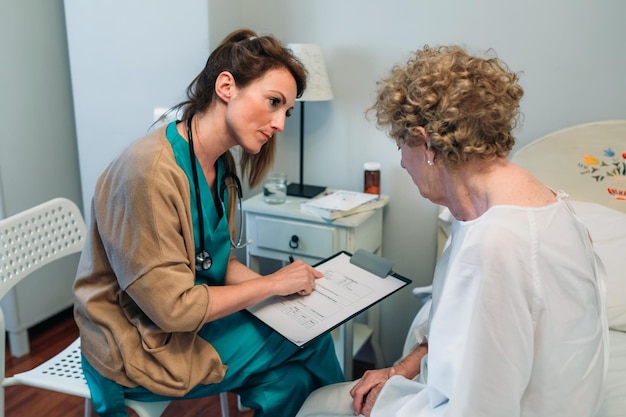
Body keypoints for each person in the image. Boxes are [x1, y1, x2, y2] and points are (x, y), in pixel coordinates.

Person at [296, 45, 608, 417]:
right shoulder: (542, 206)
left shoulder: (496, 246)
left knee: (318, 404)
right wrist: (400, 370)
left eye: (401, 145)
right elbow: (475, 339)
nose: (401, 161)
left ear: (426, 142)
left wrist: (387, 402)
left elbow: (478, 408)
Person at [73, 28, 344, 417]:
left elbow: (212, 262)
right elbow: (174, 309)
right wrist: (271, 284)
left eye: (286, 110)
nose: (280, 123)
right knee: (312, 337)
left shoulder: (219, 165)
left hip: (186, 327)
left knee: (292, 381)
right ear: (226, 86)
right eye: (273, 102)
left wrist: (292, 291)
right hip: (135, 344)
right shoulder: (148, 173)